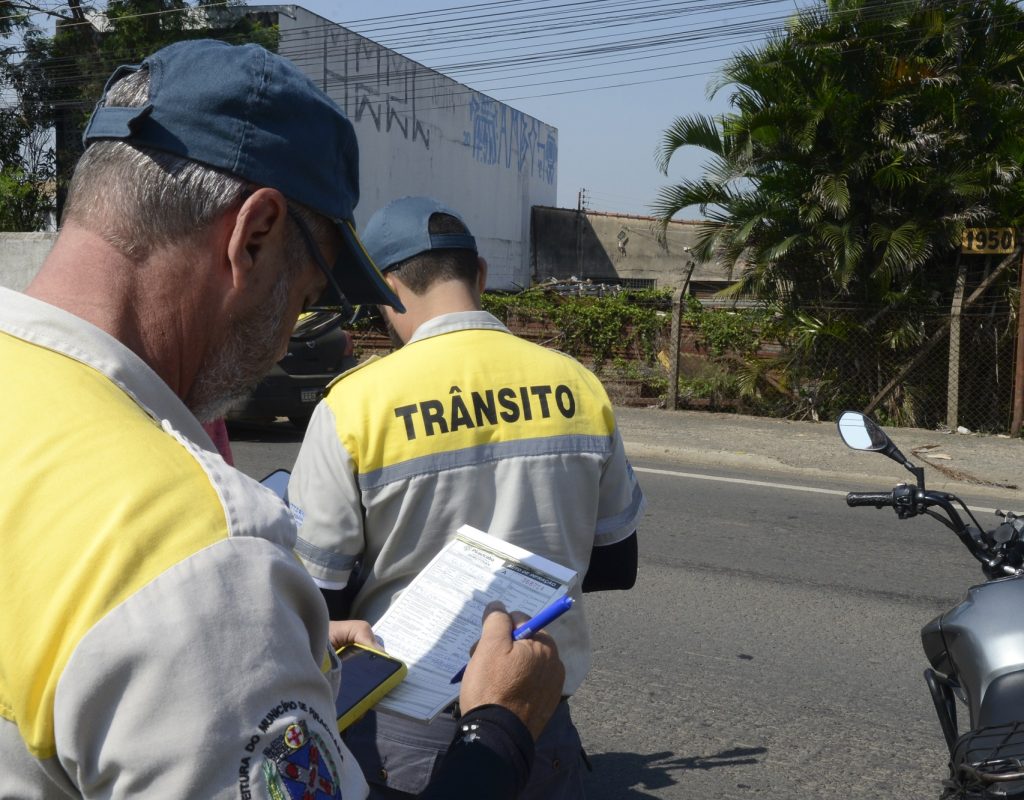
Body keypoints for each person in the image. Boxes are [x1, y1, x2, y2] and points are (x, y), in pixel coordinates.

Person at [0, 41, 564, 800]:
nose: (291, 332)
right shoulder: (201, 563)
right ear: (254, 234)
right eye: (308, 294)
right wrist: (496, 728)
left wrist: (263, 654)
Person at [288, 196, 647, 798]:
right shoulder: (576, 384)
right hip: (538, 710)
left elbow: (315, 596)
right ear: (480, 275)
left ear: (387, 290)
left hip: (404, 728)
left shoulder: (353, 405)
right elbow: (616, 560)